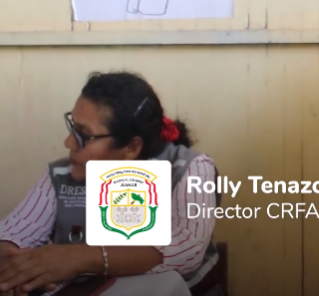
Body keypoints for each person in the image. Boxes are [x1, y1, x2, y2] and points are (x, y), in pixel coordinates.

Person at [0, 71, 223, 296]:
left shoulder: (190, 168)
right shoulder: (63, 173)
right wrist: (11, 267)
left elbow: (187, 252)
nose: (68, 142)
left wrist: (78, 257)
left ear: (131, 148)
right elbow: (13, 234)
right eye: (72, 128)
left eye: (84, 135)